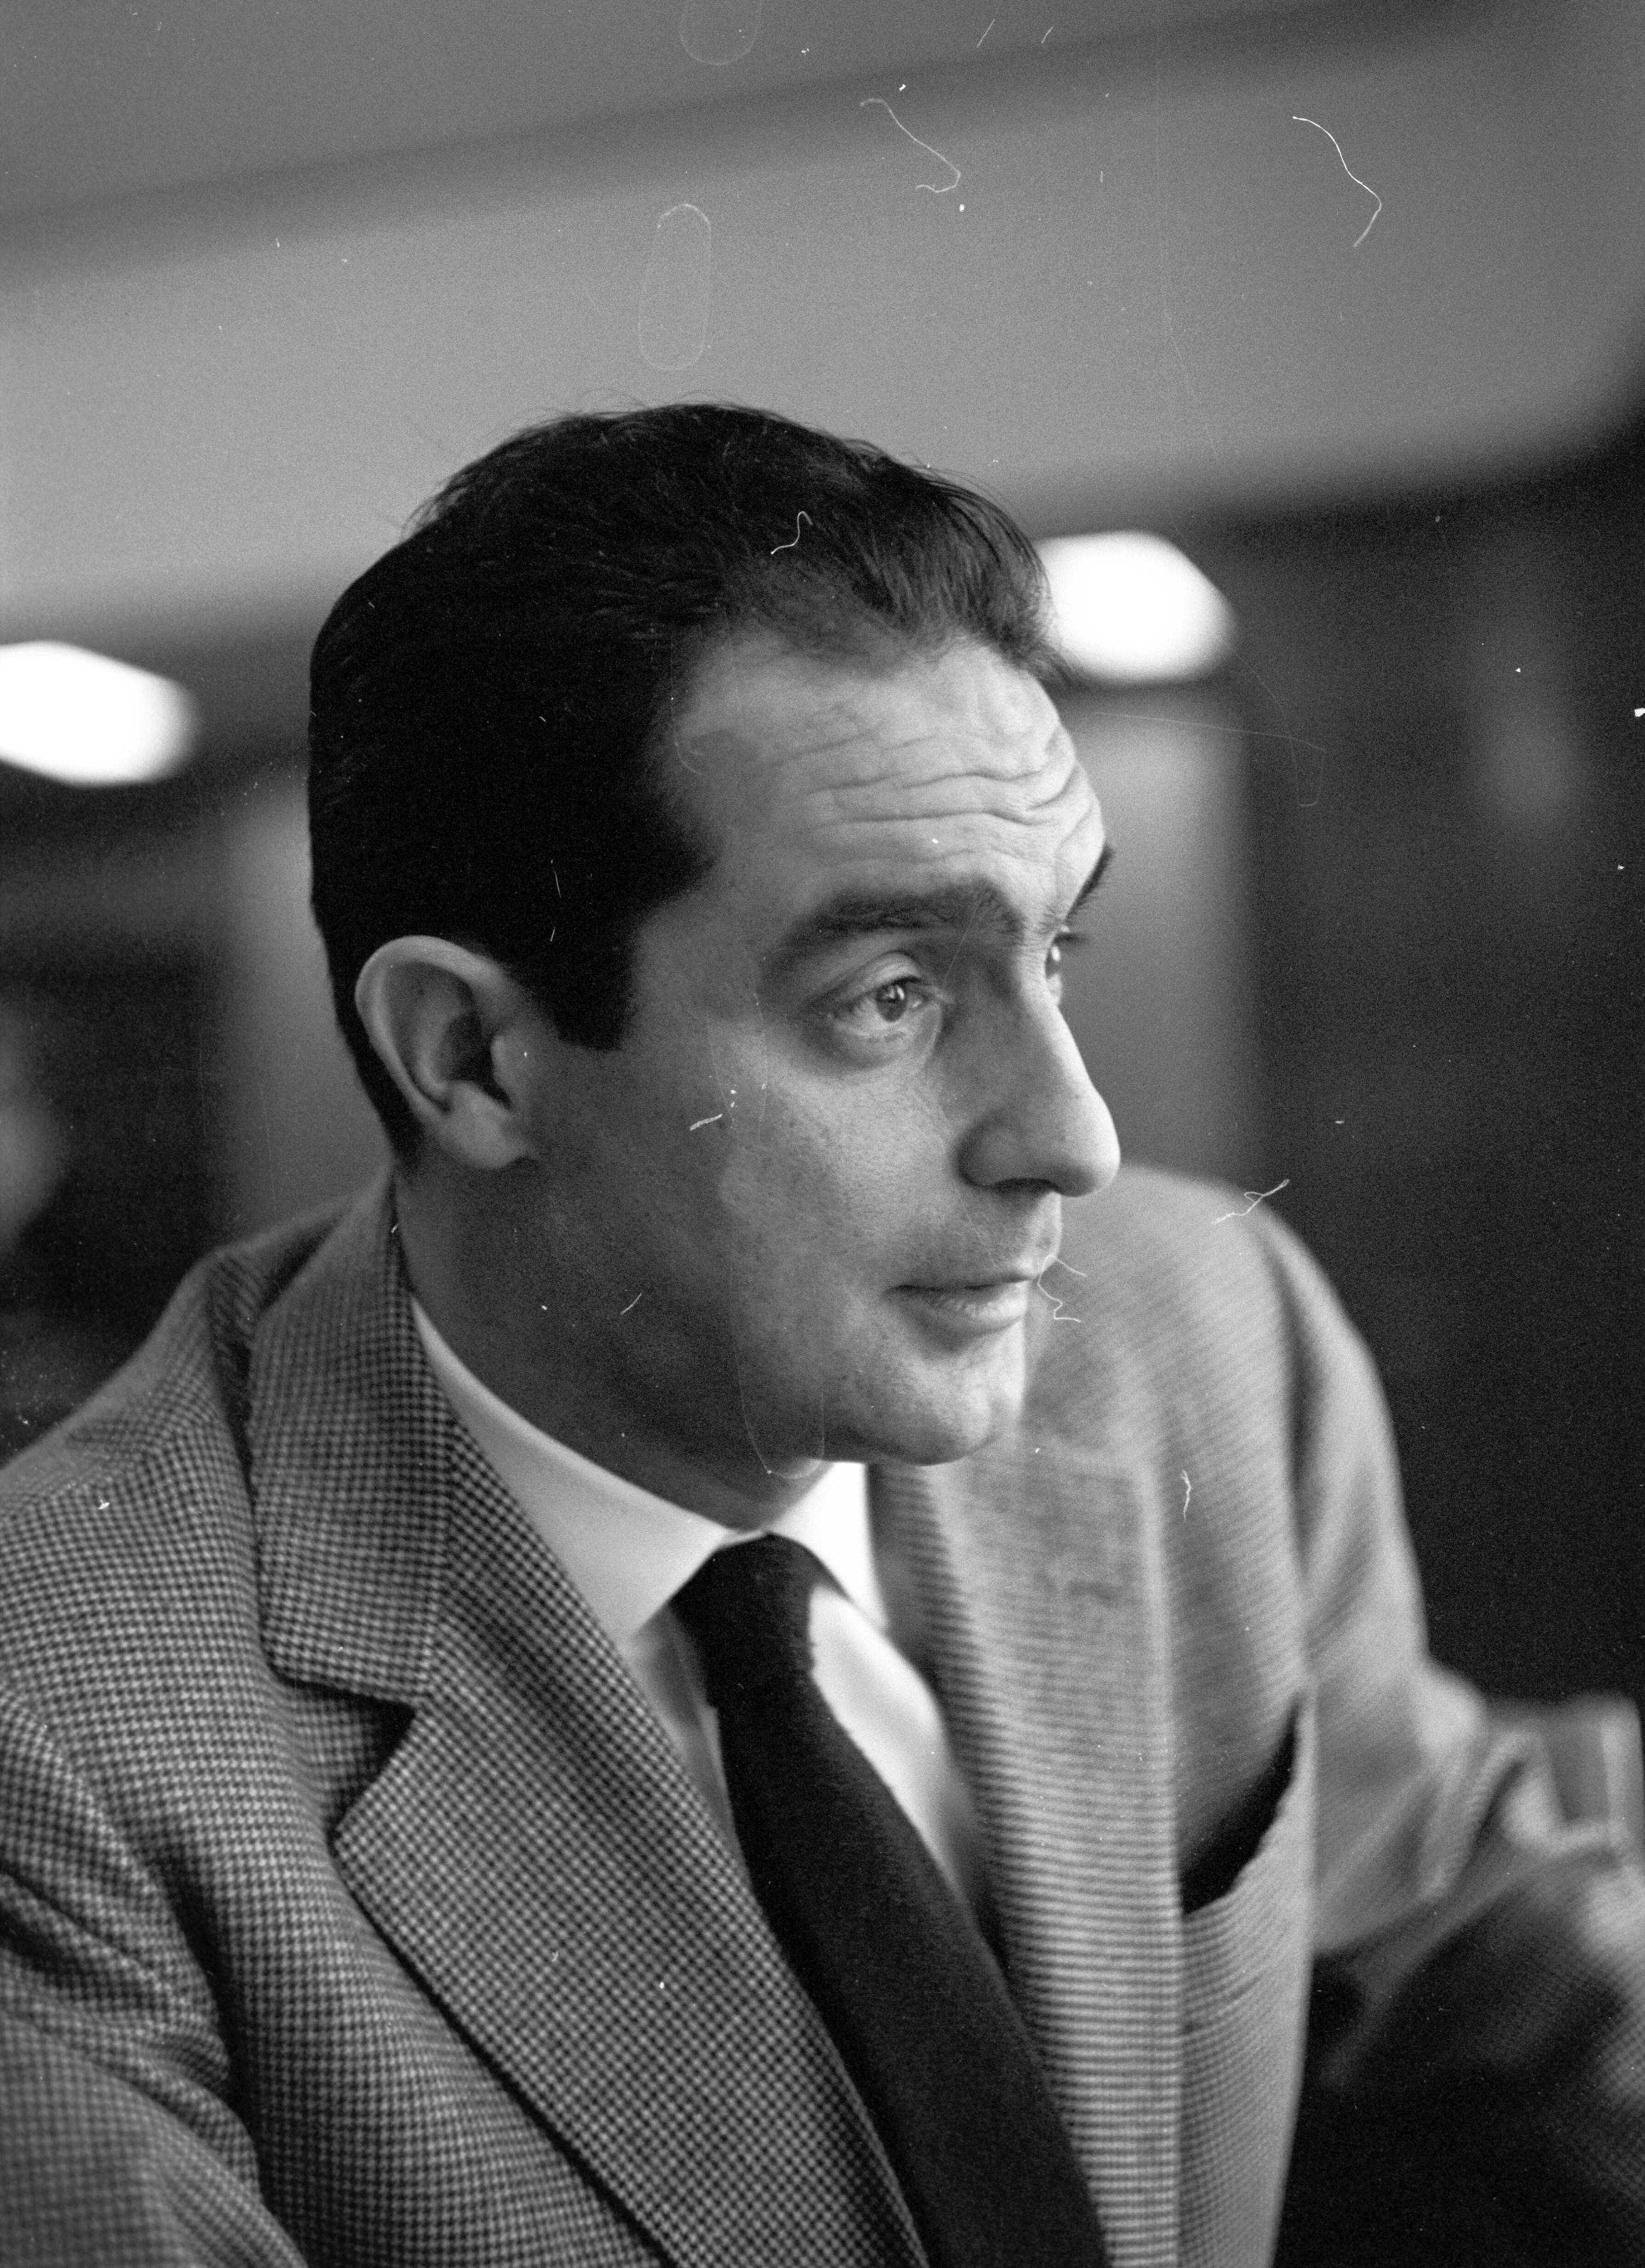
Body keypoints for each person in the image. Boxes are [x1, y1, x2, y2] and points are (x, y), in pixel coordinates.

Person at [1, 404, 1641, 2268]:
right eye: (884, 996)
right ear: (472, 1057)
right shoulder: (53, 1735)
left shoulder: (1196, 1327)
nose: (1073, 1141)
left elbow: (1461, 1923)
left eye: (1052, 957)